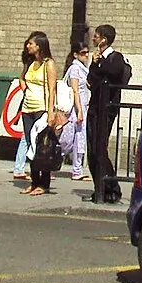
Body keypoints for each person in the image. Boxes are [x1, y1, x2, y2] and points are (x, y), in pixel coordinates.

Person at [83, 23, 131, 204]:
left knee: (99, 148)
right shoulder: (98, 60)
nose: (93, 39)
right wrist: (95, 65)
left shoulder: (115, 57)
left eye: (96, 36)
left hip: (107, 109)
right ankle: (100, 187)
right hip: (95, 107)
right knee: (93, 150)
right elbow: (91, 80)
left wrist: (99, 64)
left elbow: (113, 73)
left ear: (103, 39)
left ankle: (111, 187)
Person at [10, 32, 60, 193]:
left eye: (31, 44)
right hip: (27, 109)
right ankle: (34, 181)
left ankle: (43, 184)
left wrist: (51, 111)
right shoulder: (30, 62)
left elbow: (52, 89)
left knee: (42, 146)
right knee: (31, 146)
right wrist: (26, 90)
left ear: (39, 46)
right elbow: (22, 78)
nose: (28, 46)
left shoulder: (48, 63)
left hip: (42, 109)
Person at [62, 36, 92, 185]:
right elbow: (75, 90)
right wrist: (79, 110)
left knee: (78, 138)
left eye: (87, 52)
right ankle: (51, 162)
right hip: (75, 109)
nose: (86, 55)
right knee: (69, 139)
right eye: (83, 53)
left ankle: (77, 169)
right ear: (75, 54)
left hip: (82, 107)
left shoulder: (83, 68)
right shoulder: (74, 68)